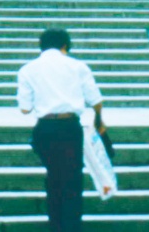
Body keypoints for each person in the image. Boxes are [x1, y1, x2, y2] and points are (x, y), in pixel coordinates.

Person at [17, 27, 105, 232]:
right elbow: (96, 100)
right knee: (72, 177)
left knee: (54, 175)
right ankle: (71, 225)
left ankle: (55, 223)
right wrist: (101, 120)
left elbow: (24, 108)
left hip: (45, 127)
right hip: (69, 127)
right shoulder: (78, 67)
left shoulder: (28, 69)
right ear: (65, 45)